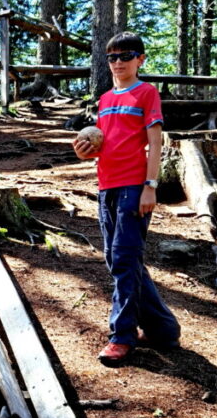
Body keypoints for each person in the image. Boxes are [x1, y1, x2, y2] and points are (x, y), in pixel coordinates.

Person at [73, 31, 180, 366]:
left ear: (140, 60)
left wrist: (151, 185)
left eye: (126, 56)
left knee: (123, 258)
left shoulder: (146, 93)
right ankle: (163, 328)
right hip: (106, 186)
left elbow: (155, 140)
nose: (118, 63)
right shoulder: (104, 99)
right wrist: (83, 152)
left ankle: (122, 336)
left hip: (135, 185)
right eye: (112, 57)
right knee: (119, 258)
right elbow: (104, 144)